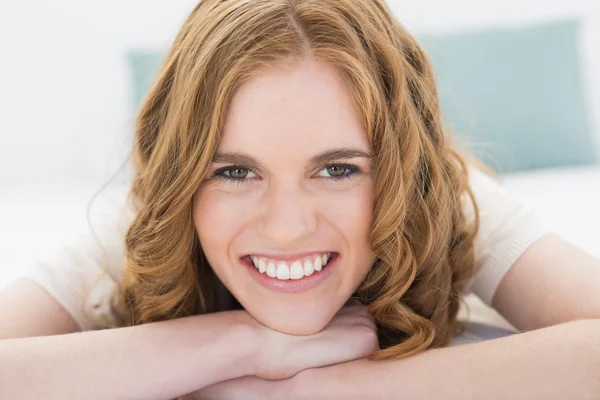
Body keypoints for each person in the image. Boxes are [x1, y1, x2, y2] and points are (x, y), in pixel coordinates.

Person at [1, 0, 599, 399]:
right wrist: (247, 344)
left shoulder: (444, 196)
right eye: (235, 172)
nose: (286, 228)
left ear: (398, 169)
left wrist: (330, 387)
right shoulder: (147, 218)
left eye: (337, 169)